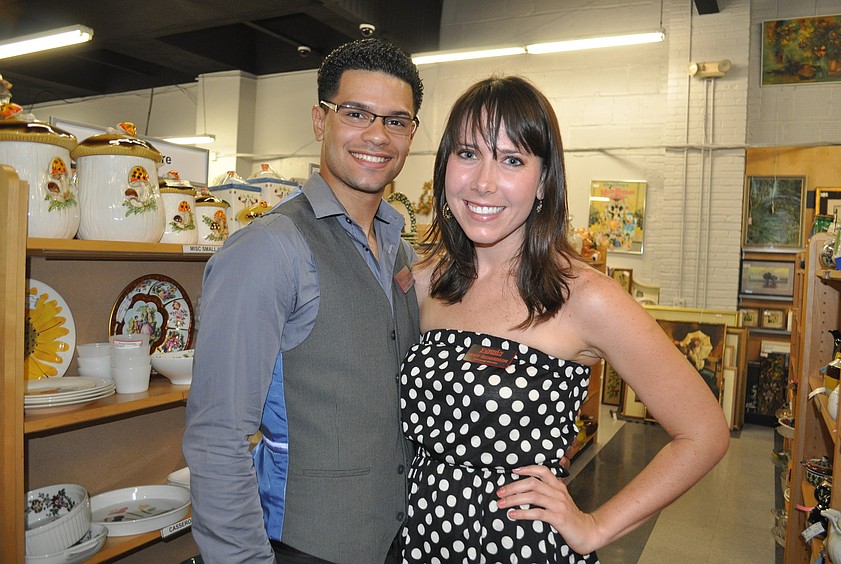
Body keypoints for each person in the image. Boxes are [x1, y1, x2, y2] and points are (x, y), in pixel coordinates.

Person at [400, 76, 730, 562]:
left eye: (512, 160)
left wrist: (595, 526)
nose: (483, 181)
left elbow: (704, 433)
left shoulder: (584, 297)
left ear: (543, 181)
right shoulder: (426, 281)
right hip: (422, 543)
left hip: (518, 549)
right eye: (468, 153)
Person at [183, 38, 424, 564]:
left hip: (393, 540)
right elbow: (218, 436)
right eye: (356, 113)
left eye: (396, 121)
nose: (377, 135)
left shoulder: (400, 250)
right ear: (320, 120)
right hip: (302, 545)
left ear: (411, 134)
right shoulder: (269, 249)